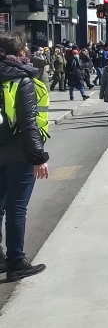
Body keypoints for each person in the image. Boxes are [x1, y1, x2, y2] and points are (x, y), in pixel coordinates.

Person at [0, 32, 49, 280]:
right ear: (20, 52)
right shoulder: (22, 79)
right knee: (16, 209)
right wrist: (38, 157)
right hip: (18, 153)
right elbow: (28, 122)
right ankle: (16, 261)